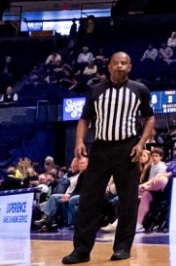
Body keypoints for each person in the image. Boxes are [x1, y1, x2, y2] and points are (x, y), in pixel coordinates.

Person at [64, 52, 153, 262]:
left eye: (124, 63)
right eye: (116, 63)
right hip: (101, 148)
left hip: (128, 149)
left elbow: (149, 118)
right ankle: (81, 250)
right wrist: (79, 142)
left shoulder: (140, 90)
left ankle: (122, 247)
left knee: (128, 201)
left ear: (130, 67)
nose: (120, 66)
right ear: (109, 66)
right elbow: (84, 119)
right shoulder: (96, 90)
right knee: (88, 200)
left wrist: (141, 144)